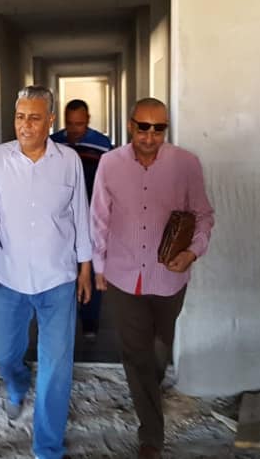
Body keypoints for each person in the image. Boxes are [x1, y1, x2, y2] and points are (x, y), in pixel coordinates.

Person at [0, 85, 92, 459]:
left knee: (57, 367)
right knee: (6, 353)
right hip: (9, 279)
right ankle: (16, 383)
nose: (25, 125)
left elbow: (80, 216)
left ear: (50, 120)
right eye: (20, 117)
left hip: (58, 279)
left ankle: (47, 448)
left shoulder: (69, 161)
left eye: (35, 118)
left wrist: (85, 267)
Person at [90, 98, 215, 459]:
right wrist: (98, 266)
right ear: (131, 125)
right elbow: (98, 216)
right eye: (142, 127)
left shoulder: (186, 163)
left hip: (169, 278)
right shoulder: (110, 163)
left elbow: (203, 214)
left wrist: (192, 252)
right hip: (122, 275)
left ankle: (148, 389)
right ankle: (151, 437)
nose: (149, 136)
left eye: (158, 128)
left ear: (165, 129)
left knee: (159, 348)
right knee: (135, 353)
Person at [50, 99, 113, 339]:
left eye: (79, 124)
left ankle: (90, 320)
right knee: (63, 267)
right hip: (61, 215)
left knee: (92, 264)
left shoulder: (102, 145)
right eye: (70, 123)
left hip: (92, 214)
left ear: (88, 120)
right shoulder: (54, 142)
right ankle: (63, 316)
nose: (75, 129)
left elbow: (109, 180)